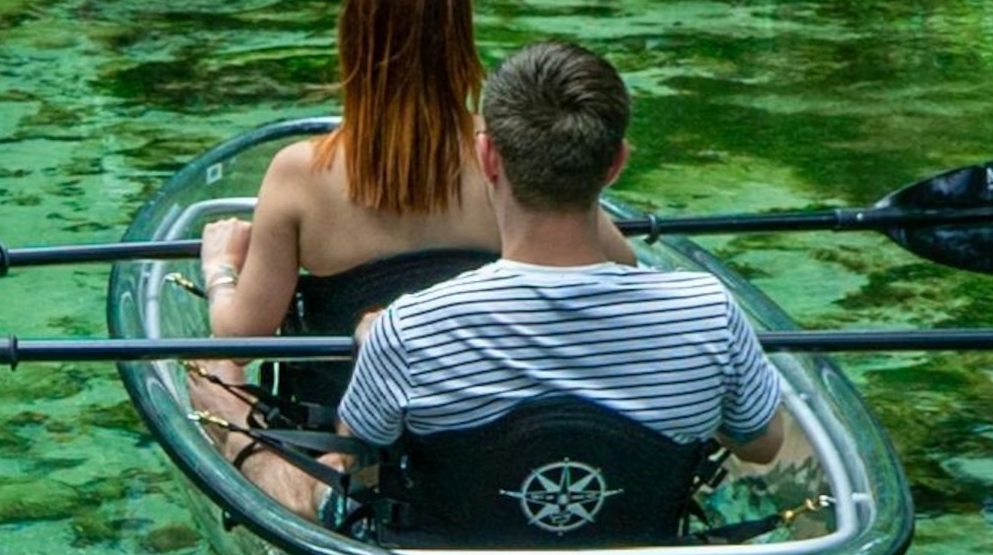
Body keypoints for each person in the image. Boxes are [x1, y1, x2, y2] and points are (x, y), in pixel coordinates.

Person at [334, 39, 795, 529]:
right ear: (616, 163)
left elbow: (357, 454)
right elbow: (763, 444)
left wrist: (374, 345)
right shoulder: (709, 313)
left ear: (487, 157)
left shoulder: (408, 330)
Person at [190, 0, 516, 520]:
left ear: (354, 39)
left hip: (348, 447)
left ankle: (281, 485)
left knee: (211, 371)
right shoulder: (510, 157)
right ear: (462, 39)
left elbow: (241, 334)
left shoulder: (302, 171)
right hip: (486, 426)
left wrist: (220, 270)